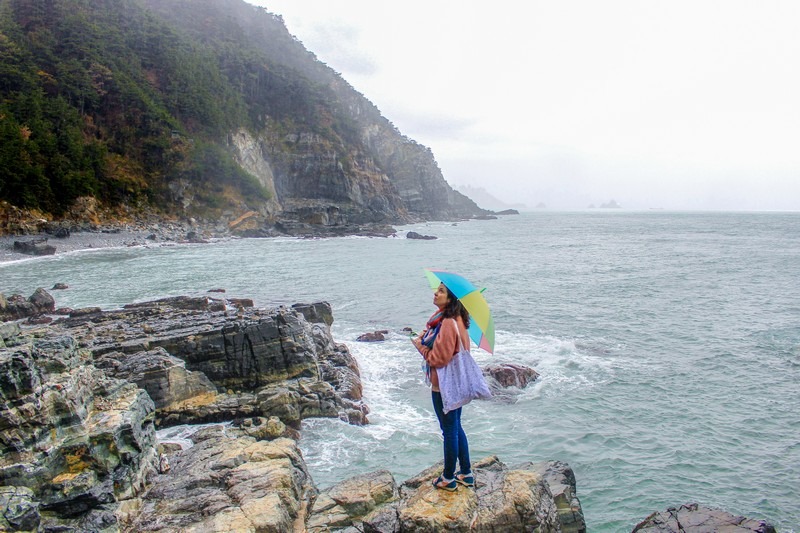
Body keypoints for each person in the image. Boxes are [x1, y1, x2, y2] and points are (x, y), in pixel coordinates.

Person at [411, 282, 475, 491]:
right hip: (456, 383)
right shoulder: (457, 320)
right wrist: (429, 337)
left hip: (445, 386)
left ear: (450, 299)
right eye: (437, 289)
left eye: (441, 291)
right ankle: (465, 473)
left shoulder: (447, 322)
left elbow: (438, 359)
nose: (435, 293)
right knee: (455, 427)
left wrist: (420, 344)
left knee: (449, 430)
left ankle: (448, 478)